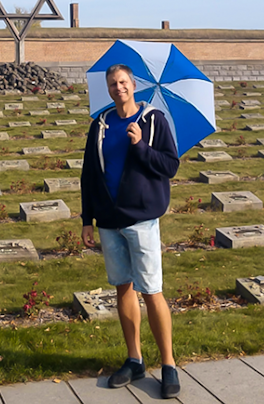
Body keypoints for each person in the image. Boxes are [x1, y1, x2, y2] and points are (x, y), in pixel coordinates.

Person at [81, 63, 181, 399]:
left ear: (133, 84)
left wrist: (140, 146)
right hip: (109, 221)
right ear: (108, 88)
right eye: (112, 84)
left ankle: (168, 365)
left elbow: (170, 165)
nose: (118, 88)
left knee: (151, 291)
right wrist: (86, 219)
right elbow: (89, 174)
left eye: (123, 82)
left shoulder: (154, 121)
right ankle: (134, 359)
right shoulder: (102, 123)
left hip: (141, 219)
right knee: (122, 288)